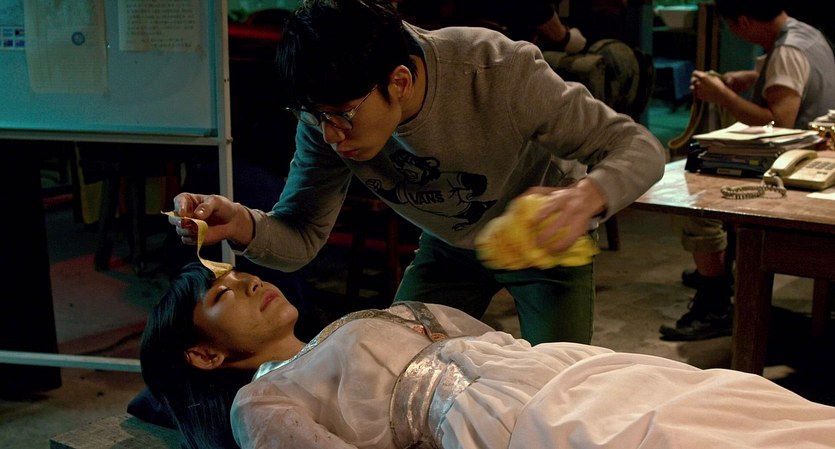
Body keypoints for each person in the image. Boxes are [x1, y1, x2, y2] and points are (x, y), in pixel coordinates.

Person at [168, 0, 666, 346]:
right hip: (449, 245)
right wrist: (243, 223)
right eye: (314, 117)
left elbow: (639, 147)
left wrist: (584, 197)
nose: (331, 135)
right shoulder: (325, 118)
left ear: (400, 82)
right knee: (392, 361)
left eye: (342, 115)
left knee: (560, 384)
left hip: (545, 237)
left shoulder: (498, 71)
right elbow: (301, 236)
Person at [140, 262, 835, 449]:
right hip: (493, 417)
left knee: (722, 401)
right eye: (221, 294)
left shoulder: (356, 322)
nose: (247, 282)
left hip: (550, 367)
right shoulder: (263, 399)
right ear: (203, 354)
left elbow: (482, 338)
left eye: (239, 273)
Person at [660, 0, 835, 341]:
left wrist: (722, 96)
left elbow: (779, 123)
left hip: (793, 171)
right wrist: (752, 77)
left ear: (743, 21)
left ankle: (715, 302)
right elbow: (795, 79)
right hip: (814, 159)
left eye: (730, 25)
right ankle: (718, 268)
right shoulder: (807, 34)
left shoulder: (787, 51)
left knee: (693, 195)